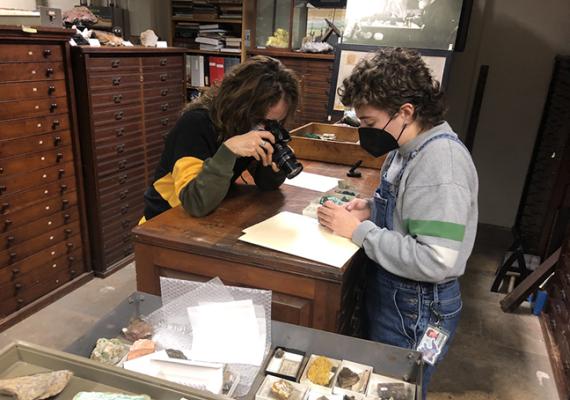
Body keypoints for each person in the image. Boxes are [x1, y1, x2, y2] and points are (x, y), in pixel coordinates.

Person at [317, 47, 478, 398]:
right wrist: (372, 209)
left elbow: (436, 259)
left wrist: (359, 231)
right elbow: (412, 215)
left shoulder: (440, 164)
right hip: (398, 295)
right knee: (378, 383)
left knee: (396, 390)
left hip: (419, 311)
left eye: (369, 123)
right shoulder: (407, 149)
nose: (364, 131)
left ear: (406, 111)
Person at [141, 55, 299, 222]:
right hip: (163, 221)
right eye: (260, 119)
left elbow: (265, 184)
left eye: (275, 122)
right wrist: (228, 152)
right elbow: (195, 202)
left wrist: (272, 167)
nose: (263, 128)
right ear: (239, 105)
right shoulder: (195, 125)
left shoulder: (249, 125)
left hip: (210, 216)